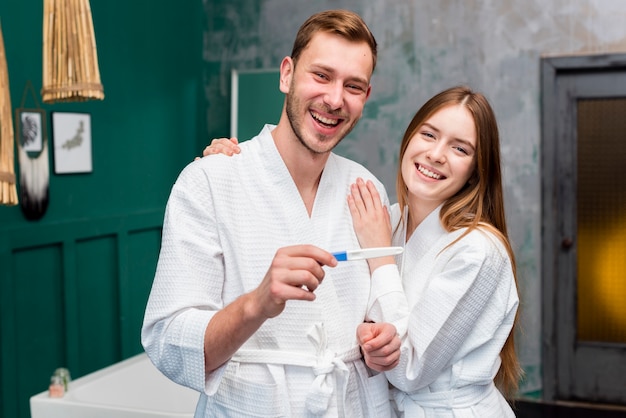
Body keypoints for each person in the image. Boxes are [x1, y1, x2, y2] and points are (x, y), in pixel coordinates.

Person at [142, 9, 403, 418]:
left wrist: (381, 340)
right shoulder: (209, 181)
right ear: (287, 74)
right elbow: (167, 343)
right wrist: (257, 303)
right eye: (321, 75)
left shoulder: (366, 189)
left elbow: (377, 313)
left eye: (353, 86)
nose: (335, 100)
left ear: (365, 98)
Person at [206, 85, 523, 417]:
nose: (436, 154)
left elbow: (410, 370)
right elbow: (326, 268)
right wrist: (234, 170)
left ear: (476, 171)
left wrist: (380, 255)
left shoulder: (478, 250)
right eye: (429, 135)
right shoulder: (390, 218)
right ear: (410, 138)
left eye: (460, 148)